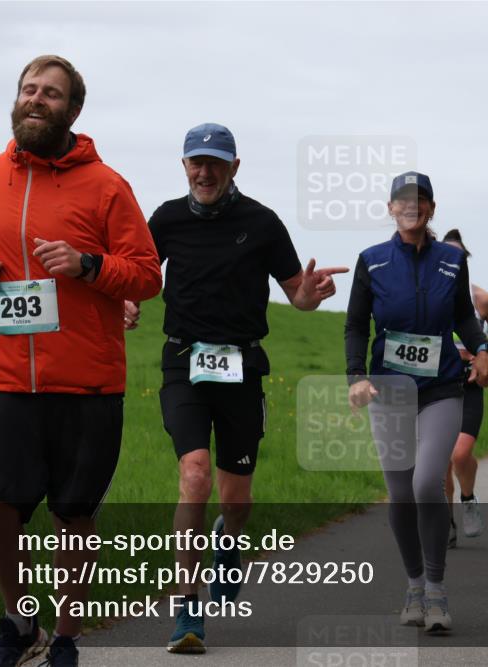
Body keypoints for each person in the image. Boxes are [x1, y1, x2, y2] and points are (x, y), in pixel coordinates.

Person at [0, 55, 163, 667]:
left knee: (73, 517)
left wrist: (89, 265)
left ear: (73, 110)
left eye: (52, 94)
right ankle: (19, 623)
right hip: (5, 377)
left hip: (86, 383)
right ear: (16, 100)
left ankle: (64, 638)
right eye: (28, 90)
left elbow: (145, 276)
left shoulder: (108, 186)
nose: (37, 100)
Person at [141, 123, 347, 654]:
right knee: (194, 473)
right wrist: (128, 302)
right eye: (195, 162)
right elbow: (138, 276)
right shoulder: (165, 218)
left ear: (235, 167)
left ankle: (227, 545)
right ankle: (188, 611)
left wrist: (313, 293)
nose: (204, 172)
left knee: (237, 502)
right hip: (184, 362)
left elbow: (296, 295)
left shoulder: (261, 222)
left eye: (215, 163)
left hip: (242, 368)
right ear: (184, 165)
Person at [345, 171, 488, 633]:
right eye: (402, 200)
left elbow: (464, 321)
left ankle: (435, 588)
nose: (412, 207)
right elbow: (355, 326)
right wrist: (355, 377)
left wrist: (485, 349)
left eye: (421, 200)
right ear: (390, 208)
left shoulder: (451, 261)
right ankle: (412, 586)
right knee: (399, 493)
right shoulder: (371, 261)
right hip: (389, 390)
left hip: (440, 388)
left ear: (431, 209)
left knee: (427, 482)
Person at [441, 229, 488, 546]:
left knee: (461, 453)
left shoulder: (481, 299)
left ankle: (468, 499)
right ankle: (446, 524)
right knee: (440, 459)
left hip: (470, 382)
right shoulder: (425, 296)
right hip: (437, 381)